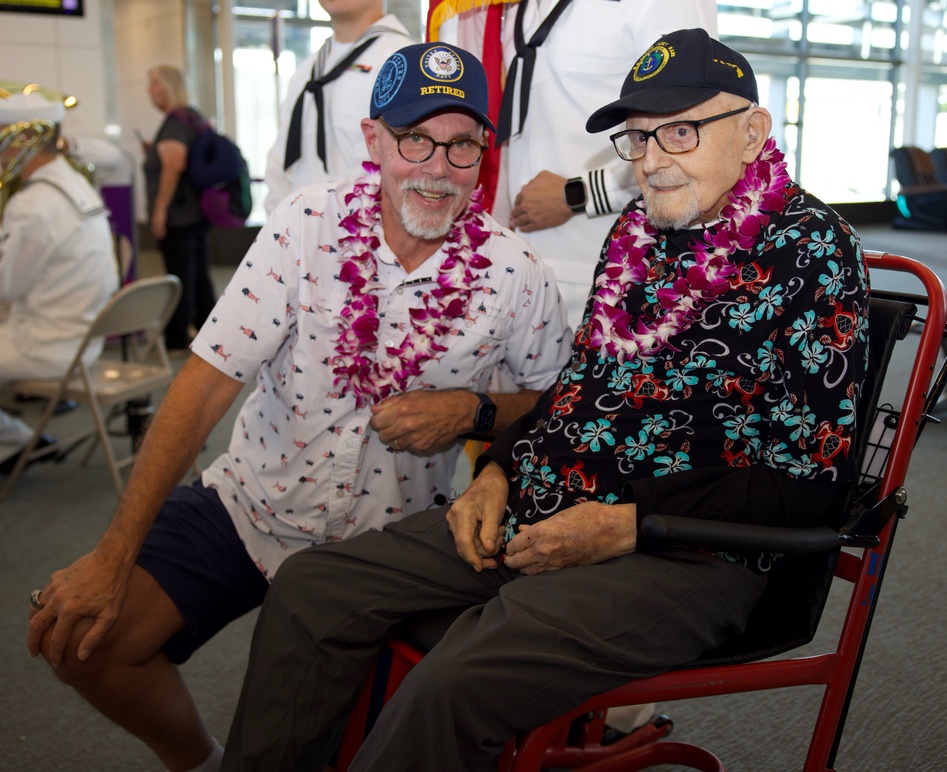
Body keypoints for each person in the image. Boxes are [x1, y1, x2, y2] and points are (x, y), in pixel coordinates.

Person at [219, 28, 872, 771]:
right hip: (546, 505)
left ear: (753, 132)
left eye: (680, 132)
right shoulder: (637, 231)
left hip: (691, 554)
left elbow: (810, 484)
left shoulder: (812, 247)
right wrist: (497, 469)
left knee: (457, 679)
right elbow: (577, 390)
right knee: (313, 587)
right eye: (639, 137)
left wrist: (632, 525)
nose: (653, 159)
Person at [26, 42, 570, 772]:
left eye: (462, 145)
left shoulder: (516, 272)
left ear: (484, 152)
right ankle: (199, 761)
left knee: (353, 751)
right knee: (81, 637)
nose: (438, 168)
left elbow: (556, 404)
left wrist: (472, 409)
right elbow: (204, 386)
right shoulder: (303, 225)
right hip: (252, 503)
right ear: (374, 139)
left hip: (392, 541)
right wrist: (113, 552)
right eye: (416, 140)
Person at [491, 0, 718, 327]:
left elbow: (693, 131)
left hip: (607, 276)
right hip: (511, 273)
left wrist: (579, 194)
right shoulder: (511, 7)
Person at [0, 92, 118, 474]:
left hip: (47, 344)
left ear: (23, 140)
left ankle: (14, 442)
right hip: (84, 335)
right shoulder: (76, 184)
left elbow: (7, 287)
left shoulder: (33, 203)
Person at [263, 0, 413, 214]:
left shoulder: (402, 62)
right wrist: (279, 235)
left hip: (367, 238)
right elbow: (280, 168)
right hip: (300, 235)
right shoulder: (307, 70)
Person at [143, 64, 217, 350]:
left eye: (154, 84)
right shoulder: (193, 118)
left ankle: (177, 335)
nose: (150, 91)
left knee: (179, 276)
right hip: (198, 211)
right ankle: (208, 329)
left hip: (179, 215)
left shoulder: (174, 122)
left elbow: (174, 165)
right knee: (198, 274)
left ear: (169, 86)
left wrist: (159, 208)